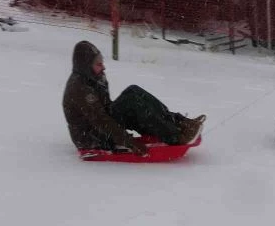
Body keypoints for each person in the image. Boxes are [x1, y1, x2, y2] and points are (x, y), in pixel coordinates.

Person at [63, 41, 205, 156]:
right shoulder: (79, 89)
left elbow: (106, 110)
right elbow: (101, 120)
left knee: (133, 91)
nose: (103, 67)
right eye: (98, 64)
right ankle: (175, 137)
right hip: (91, 138)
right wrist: (129, 142)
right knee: (131, 102)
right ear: (86, 66)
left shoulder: (94, 77)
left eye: (102, 62)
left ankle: (179, 123)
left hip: (101, 126)